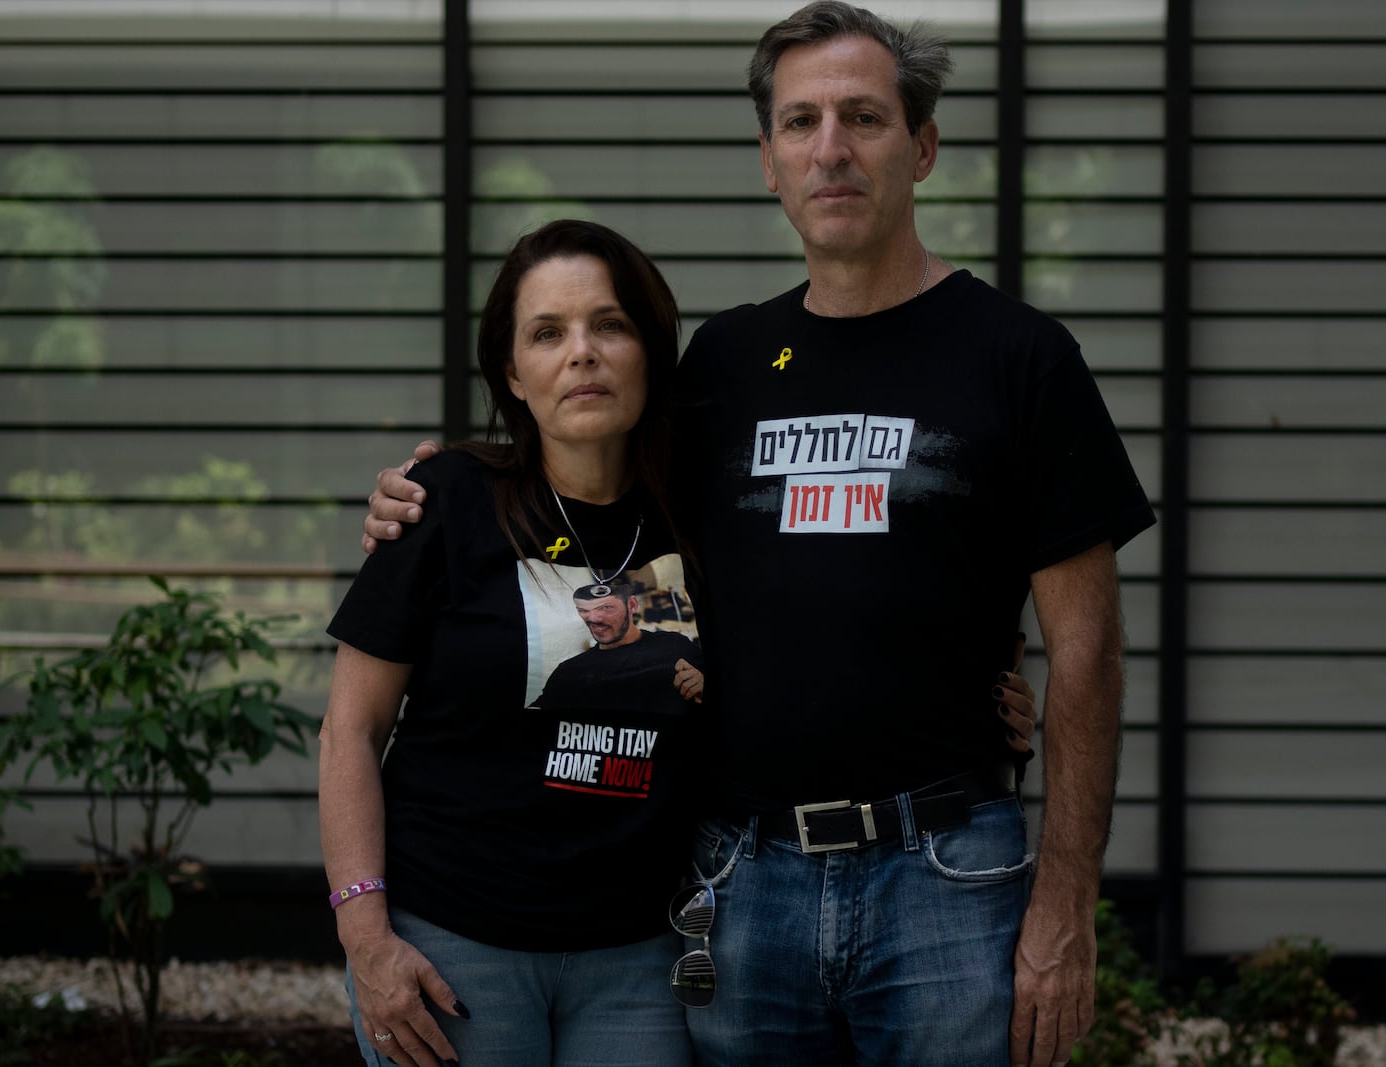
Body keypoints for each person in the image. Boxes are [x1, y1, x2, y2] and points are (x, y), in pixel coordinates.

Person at [362, 10, 1131, 1063]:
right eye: (800, 121)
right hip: (741, 876)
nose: (832, 148)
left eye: (863, 117)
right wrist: (433, 482)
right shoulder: (728, 364)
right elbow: (586, 454)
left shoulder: (1020, 357)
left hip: (946, 871)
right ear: (767, 161)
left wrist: (1065, 900)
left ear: (924, 145)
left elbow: (1086, 647)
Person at [327, 216, 1042, 1067]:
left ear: (651, 352)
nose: (581, 352)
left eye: (610, 324)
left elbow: (851, 594)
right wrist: (365, 936)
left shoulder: (703, 511)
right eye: (547, 333)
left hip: (638, 954)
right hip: (458, 942)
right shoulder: (444, 503)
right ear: (513, 372)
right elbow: (350, 731)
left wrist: (982, 687)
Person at [532, 580, 705, 715]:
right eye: (583, 610)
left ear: (632, 605)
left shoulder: (674, 645)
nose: (594, 619)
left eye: (606, 608)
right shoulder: (569, 671)